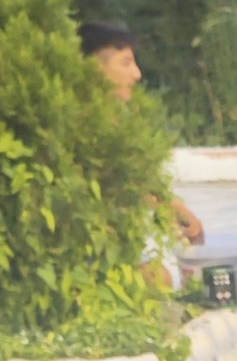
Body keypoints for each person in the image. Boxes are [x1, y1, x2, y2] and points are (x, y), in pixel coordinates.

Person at [80, 20, 204, 248]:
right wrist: (168, 209)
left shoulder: (116, 120)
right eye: (126, 63)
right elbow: (120, 184)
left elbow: (136, 180)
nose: (136, 74)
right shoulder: (81, 126)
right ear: (95, 67)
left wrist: (175, 208)